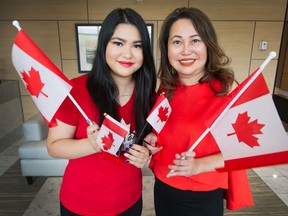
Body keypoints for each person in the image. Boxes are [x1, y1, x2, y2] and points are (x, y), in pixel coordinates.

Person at [145, 7, 254, 216]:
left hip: (201, 197)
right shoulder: (165, 88)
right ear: (167, 49)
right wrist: (153, 138)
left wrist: (199, 165)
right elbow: (166, 131)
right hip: (163, 189)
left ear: (208, 45)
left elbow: (249, 149)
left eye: (195, 40)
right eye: (176, 41)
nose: (186, 50)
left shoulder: (227, 89)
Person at [46, 8, 156, 216]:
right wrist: (93, 144)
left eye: (137, 45)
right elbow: (54, 147)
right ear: (103, 45)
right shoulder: (75, 90)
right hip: (81, 204)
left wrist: (147, 152)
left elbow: (142, 139)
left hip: (130, 200)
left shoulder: (148, 93)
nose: (128, 54)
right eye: (118, 43)